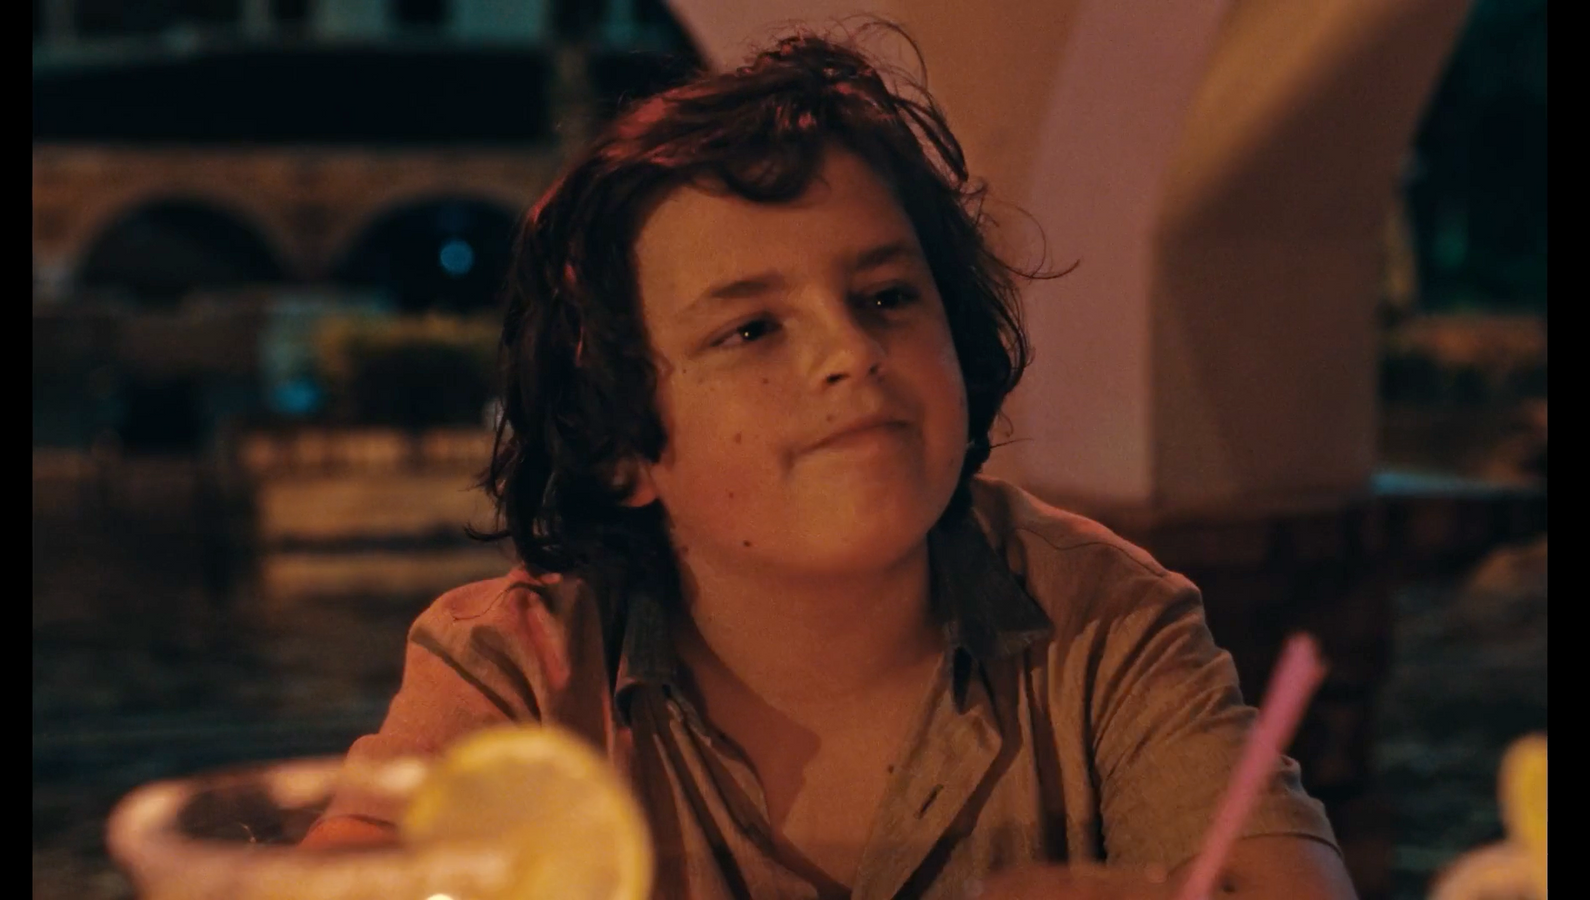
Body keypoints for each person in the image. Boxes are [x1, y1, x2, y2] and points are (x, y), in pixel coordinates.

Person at [303, 22, 1357, 900]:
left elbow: (1284, 881)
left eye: (887, 297)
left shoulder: (1107, 622)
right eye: (752, 330)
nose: (852, 352)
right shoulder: (517, 670)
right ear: (624, 445)